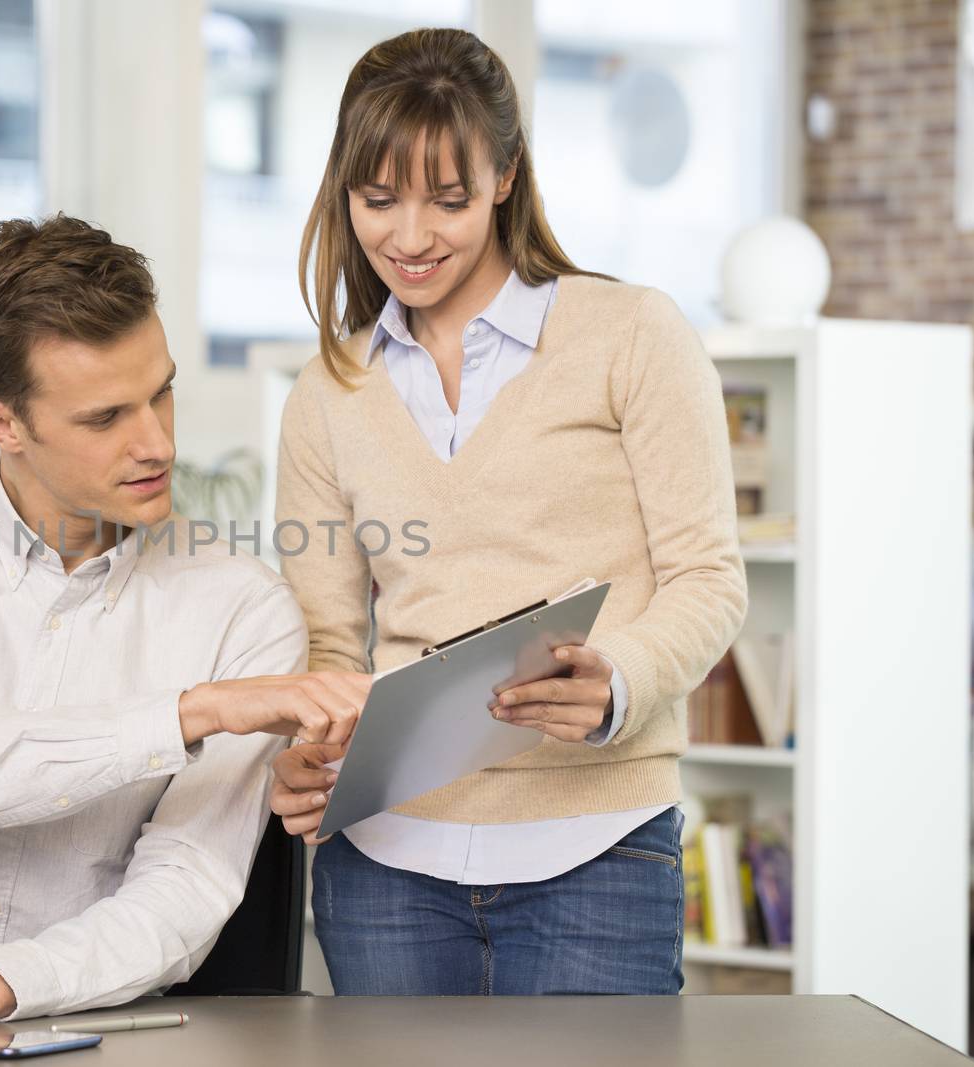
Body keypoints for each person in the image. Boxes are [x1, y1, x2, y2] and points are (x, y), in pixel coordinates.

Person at [268, 28, 748, 996]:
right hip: (384, 864)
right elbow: (328, 641)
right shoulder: (324, 393)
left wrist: (616, 677)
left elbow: (708, 578)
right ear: (341, 191)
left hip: (598, 847)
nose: (409, 235)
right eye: (377, 198)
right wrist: (307, 752)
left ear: (504, 176)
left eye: (446, 199)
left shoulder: (631, 335)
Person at [0, 215, 371, 1027]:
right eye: (105, 418)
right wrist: (192, 712)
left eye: (162, 393)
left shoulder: (242, 605)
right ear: (0, 425)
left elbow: (186, 889)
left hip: (79, 1034)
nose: (158, 444)